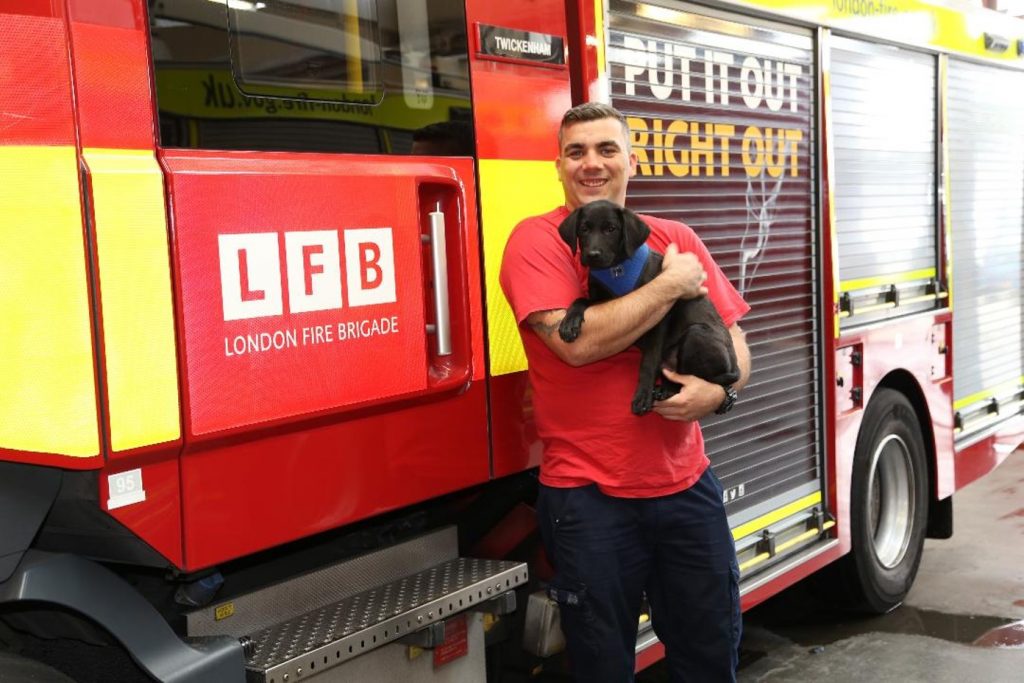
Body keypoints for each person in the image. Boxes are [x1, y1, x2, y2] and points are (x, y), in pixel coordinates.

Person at [499, 102, 752, 682]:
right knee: (601, 666)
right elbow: (579, 343)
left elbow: (735, 343)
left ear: (630, 161)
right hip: (590, 500)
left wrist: (720, 395)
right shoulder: (537, 241)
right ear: (557, 165)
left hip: (688, 489)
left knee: (710, 658)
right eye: (576, 151)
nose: (592, 163)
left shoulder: (675, 237)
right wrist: (670, 285)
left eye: (606, 149)